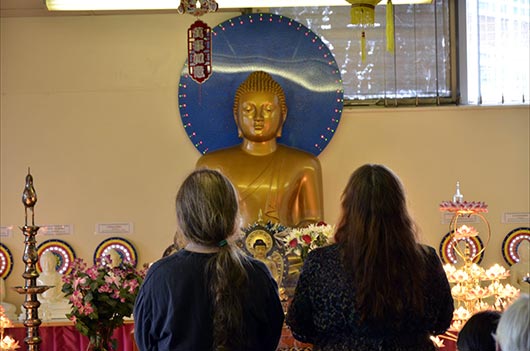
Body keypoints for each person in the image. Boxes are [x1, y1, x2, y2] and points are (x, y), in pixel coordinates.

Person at [286, 164, 454, 350]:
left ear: (348, 208)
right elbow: (442, 321)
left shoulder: (321, 262)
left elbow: (300, 326)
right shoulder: (426, 260)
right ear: (399, 208)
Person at [134, 169, 284, 351]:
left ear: (183, 217)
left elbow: (146, 342)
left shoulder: (160, 276)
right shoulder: (257, 274)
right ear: (233, 215)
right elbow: (269, 340)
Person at [196, 71, 323, 228]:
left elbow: (314, 223)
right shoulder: (211, 165)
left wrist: (290, 242)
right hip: (230, 251)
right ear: (236, 116)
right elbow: (202, 223)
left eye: (268, 109)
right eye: (248, 109)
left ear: (283, 115)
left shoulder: (305, 164)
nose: (258, 117)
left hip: (284, 249)